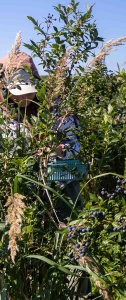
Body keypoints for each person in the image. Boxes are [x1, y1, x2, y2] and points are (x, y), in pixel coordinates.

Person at [1, 51, 83, 222]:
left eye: (28, 91)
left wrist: (59, 150)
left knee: (69, 222)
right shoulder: (2, 111)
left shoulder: (54, 106)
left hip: (58, 180)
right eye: (17, 92)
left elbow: (74, 142)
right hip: (18, 185)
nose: (24, 97)